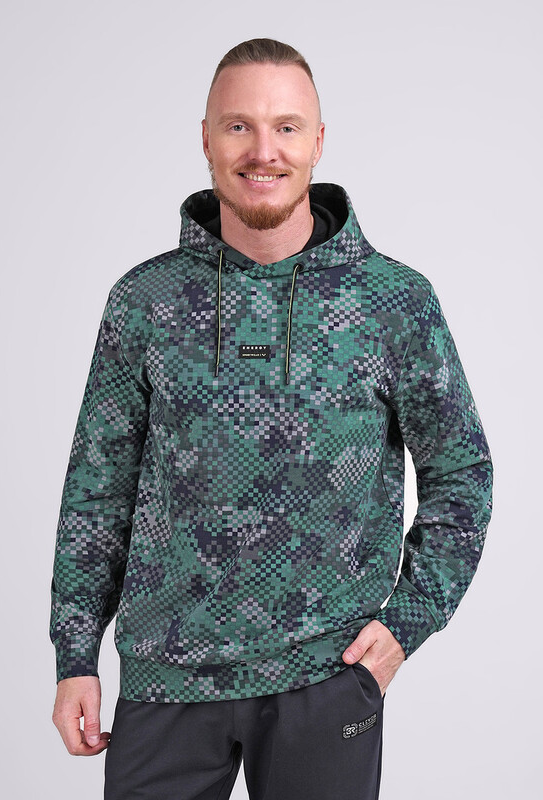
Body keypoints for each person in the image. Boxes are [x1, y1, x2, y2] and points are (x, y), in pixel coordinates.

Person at [50, 38, 492, 800]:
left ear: (318, 141)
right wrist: (75, 655)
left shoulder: (392, 302)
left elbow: (462, 474)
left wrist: (406, 625)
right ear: (205, 139)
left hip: (324, 675)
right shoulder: (144, 302)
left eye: (286, 127)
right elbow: (98, 489)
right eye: (239, 126)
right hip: (167, 678)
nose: (263, 151)